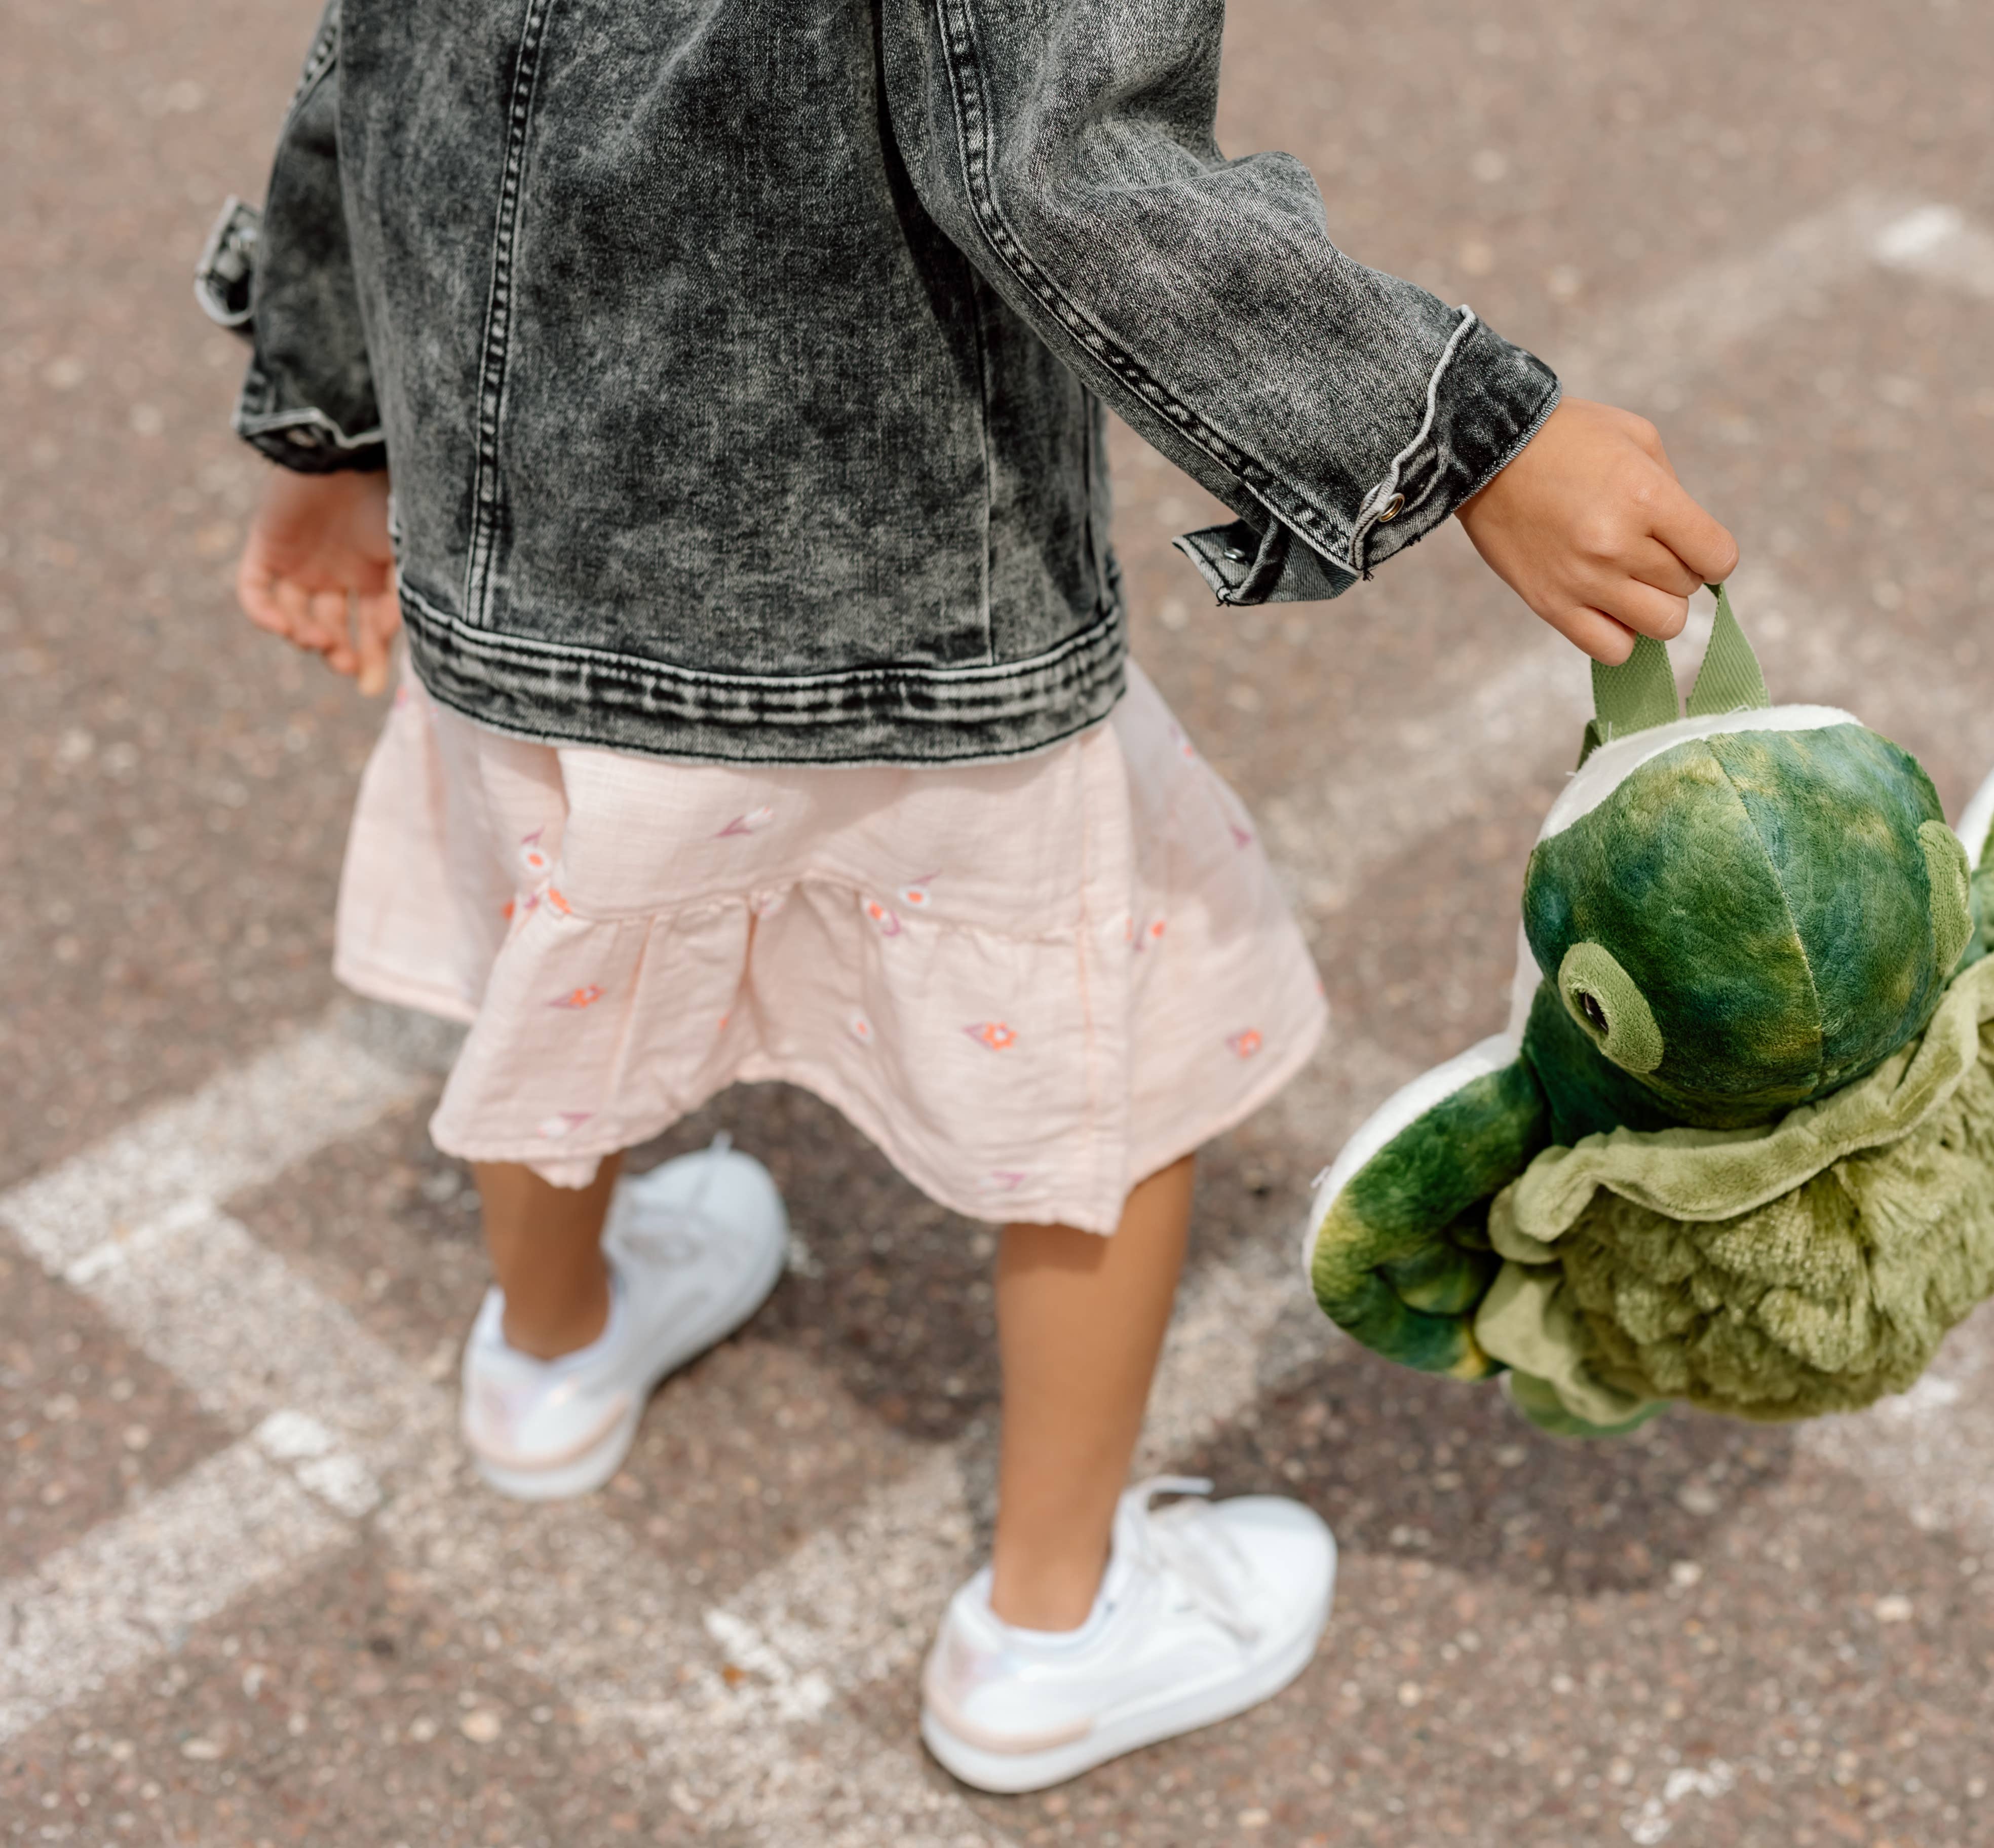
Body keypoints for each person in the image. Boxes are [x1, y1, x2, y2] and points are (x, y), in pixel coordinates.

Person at [204, 0, 1736, 1794]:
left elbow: (378, 64)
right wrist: (1466, 428)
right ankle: (1047, 1632)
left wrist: (329, 433)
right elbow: (1057, 158)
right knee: (1116, 1067)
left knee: (558, 953)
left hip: (519, 566)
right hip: (912, 620)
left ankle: (550, 1364)